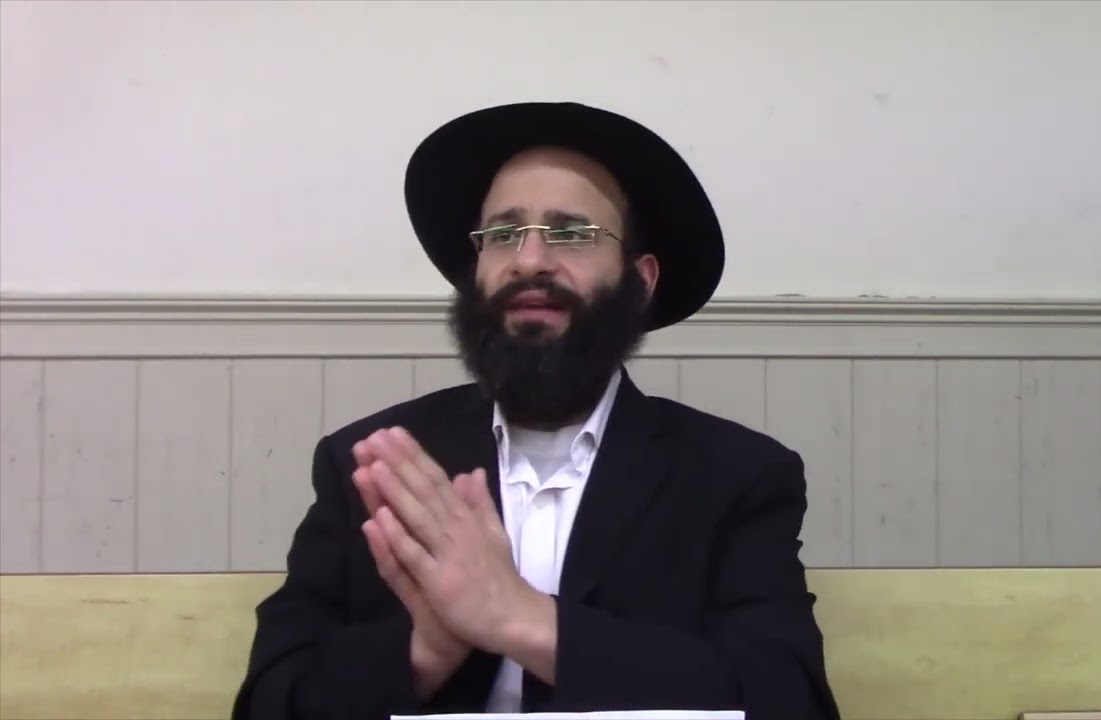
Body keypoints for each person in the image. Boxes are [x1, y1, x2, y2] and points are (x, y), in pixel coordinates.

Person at [231, 101, 841, 720]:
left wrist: (523, 620)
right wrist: (426, 651)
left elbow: (788, 701)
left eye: (571, 233)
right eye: (502, 234)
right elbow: (271, 702)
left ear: (641, 280)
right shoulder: (371, 466)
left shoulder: (736, 476)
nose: (528, 260)